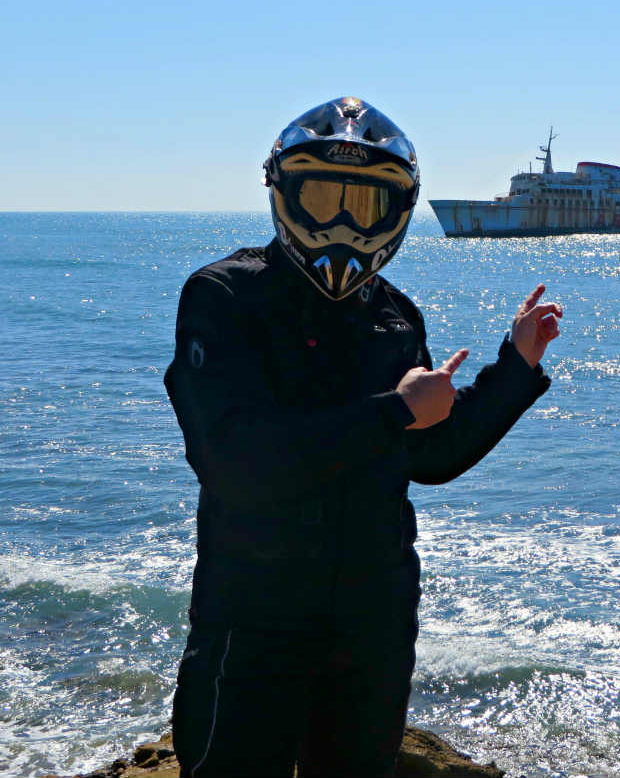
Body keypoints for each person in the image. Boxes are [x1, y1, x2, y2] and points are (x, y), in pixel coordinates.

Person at [163, 97, 561, 777]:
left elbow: (430, 454)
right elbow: (235, 463)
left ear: (398, 212)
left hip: (372, 625)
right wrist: (393, 410)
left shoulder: (394, 316)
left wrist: (515, 367)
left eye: (365, 203)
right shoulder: (225, 298)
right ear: (283, 194)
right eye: (322, 196)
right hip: (252, 622)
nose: (343, 221)